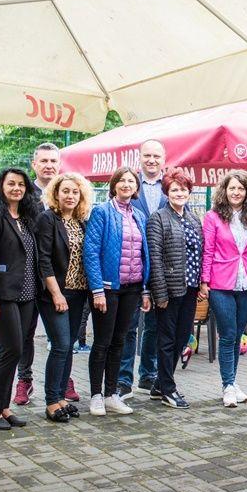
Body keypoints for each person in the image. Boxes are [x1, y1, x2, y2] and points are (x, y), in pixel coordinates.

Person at [0, 168, 41, 430]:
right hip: (2, 296)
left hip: (27, 295)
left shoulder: (26, 217)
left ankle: (4, 408)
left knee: (18, 351)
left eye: (21, 184)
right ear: (1, 186)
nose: (16, 188)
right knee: (10, 350)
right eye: (11, 183)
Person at [83, 166, 151, 417]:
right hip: (107, 288)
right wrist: (97, 290)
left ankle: (111, 393)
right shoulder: (101, 211)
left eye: (131, 181)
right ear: (113, 185)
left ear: (136, 187)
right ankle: (96, 395)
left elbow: (143, 254)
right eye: (121, 180)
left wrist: (145, 290)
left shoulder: (139, 215)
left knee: (120, 341)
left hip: (132, 288)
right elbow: (90, 252)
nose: (126, 184)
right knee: (102, 342)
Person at [35, 173, 93, 423]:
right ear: (56, 194)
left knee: (69, 346)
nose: (70, 196)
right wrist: (56, 294)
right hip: (55, 294)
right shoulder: (48, 219)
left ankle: (61, 398)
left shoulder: (81, 221)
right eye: (65, 191)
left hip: (78, 293)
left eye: (75, 192)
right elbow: (43, 259)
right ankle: (51, 401)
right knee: (59, 344)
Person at [201, 170, 247, 407]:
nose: (236, 192)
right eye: (232, 188)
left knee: (237, 335)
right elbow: (207, 250)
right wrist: (204, 281)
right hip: (220, 283)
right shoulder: (213, 217)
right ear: (224, 191)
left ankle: (233, 382)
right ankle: (227, 385)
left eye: (241, 188)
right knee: (227, 334)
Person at [147, 169, 202, 409]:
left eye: (183, 189)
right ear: (167, 193)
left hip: (190, 288)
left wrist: (201, 284)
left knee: (182, 338)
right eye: (175, 189)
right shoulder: (158, 218)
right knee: (167, 340)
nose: (180, 193)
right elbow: (155, 258)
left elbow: (200, 253)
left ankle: (159, 384)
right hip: (169, 290)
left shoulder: (193, 219)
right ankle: (168, 390)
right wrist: (159, 293)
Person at [119, 140, 168, 399]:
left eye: (156, 156)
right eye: (147, 155)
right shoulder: (128, 183)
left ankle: (148, 374)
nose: (151, 160)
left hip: (160, 266)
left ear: (164, 159)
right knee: (128, 326)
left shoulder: (170, 186)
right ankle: (123, 378)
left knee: (154, 325)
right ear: (139, 158)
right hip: (131, 264)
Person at [12, 142, 60, 405]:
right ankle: (25, 380)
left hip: (58, 278)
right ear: (34, 164)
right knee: (25, 333)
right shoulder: (24, 194)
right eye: (44, 161)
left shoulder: (67, 191)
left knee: (60, 334)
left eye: (53, 161)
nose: (49, 166)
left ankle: (64, 379)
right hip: (29, 277)